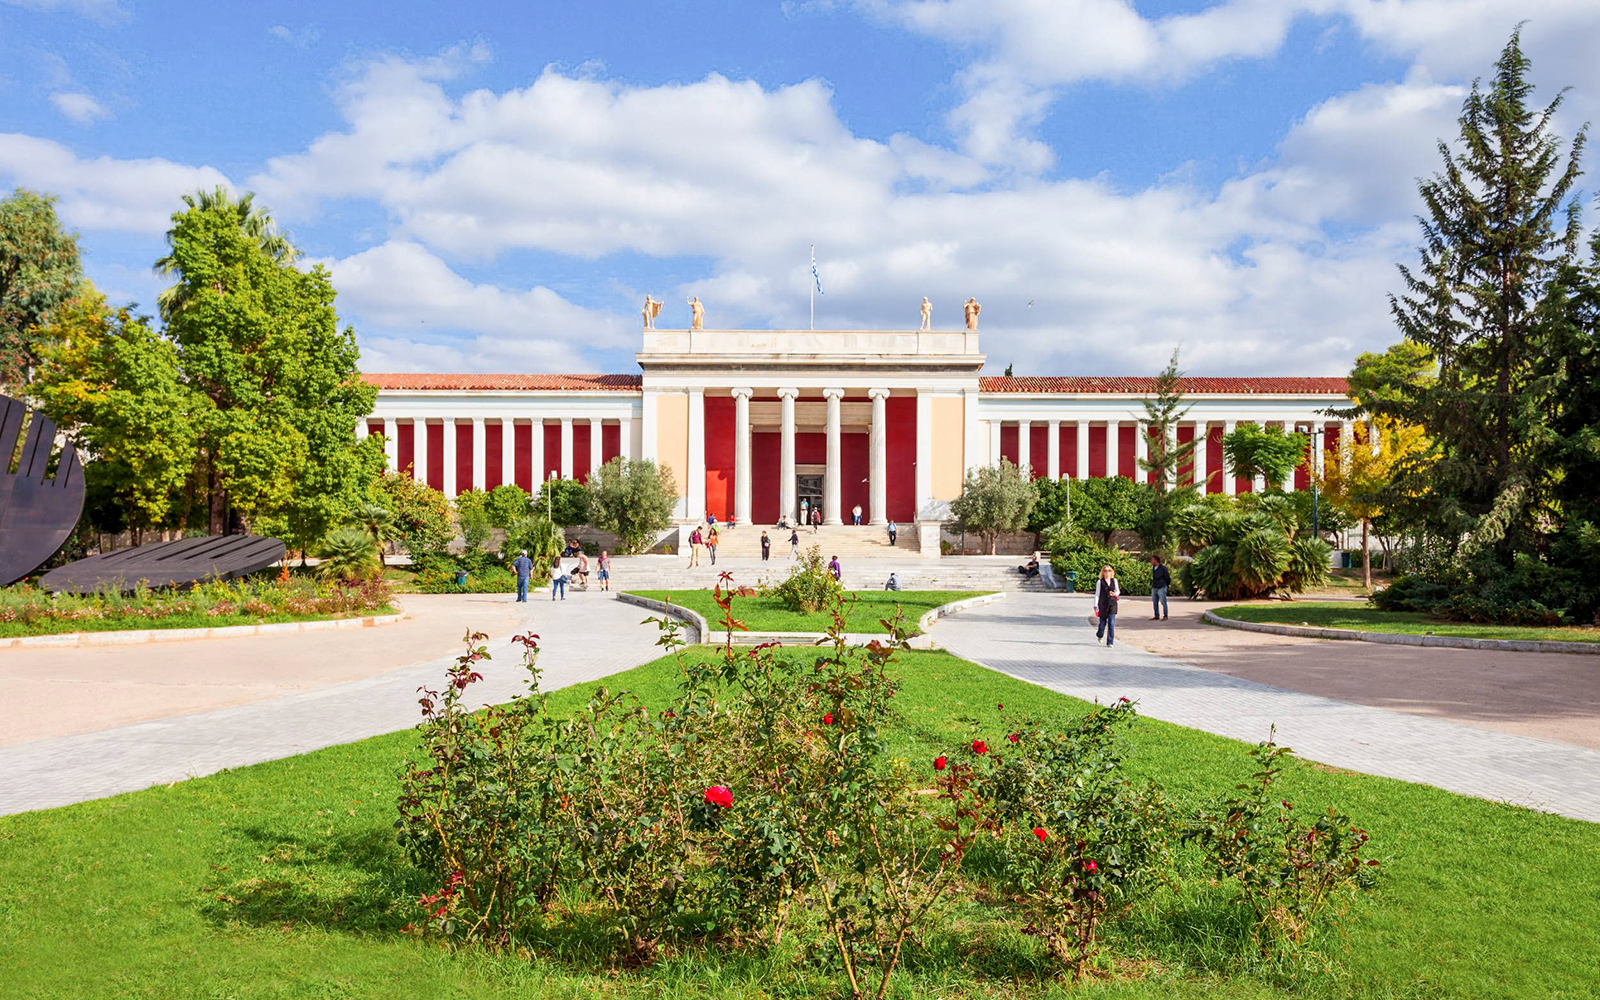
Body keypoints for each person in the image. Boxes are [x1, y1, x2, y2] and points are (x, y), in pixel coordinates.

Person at [1093, 564, 1120, 646]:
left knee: (1111, 623)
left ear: (1111, 572)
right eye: (1105, 571)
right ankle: (1100, 634)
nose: (1107, 572)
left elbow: (1118, 591)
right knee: (1102, 623)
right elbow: (1097, 594)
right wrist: (1095, 605)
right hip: (1103, 604)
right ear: (1103, 572)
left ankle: (1110, 642)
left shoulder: (1114, 580)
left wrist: (1115, 594)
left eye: (1109, 571)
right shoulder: (1100, 582)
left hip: (1112, 603)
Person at [1150, 555, 1171, 620]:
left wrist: (1166, 585)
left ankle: (1165, 615)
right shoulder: (1154, 568)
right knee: (1155, 601)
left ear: (1156, 560)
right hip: (1155, 586)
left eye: (1152, 560)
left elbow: (1167, 577)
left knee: (1163, 601)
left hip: (1161, 586)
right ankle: (1156, 615)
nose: (1151, 561)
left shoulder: (1163, 568)